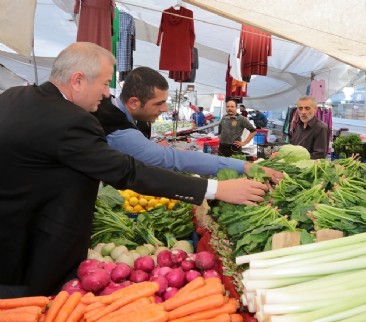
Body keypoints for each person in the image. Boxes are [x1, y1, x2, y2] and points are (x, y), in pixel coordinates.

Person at [0, 42, 272, 298]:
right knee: (30, 306)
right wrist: (216, 189)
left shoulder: (14, 97)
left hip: (11, 235)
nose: (107, 93)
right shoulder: (71, 121)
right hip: (31, 248)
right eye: (105, 83)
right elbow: (129, 172)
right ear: (78, 80)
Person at [93, 66, 282, 180]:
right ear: (134, 103)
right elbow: (174, 160)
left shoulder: (114, 110)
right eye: (158, 103)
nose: (165, 109)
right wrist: (244, 167)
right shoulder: (118, 129)